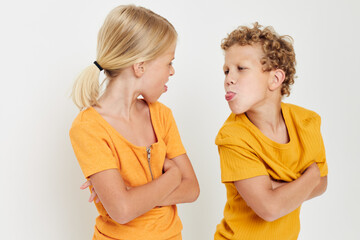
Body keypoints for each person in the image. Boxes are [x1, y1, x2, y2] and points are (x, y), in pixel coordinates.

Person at [69, 5, 199, 240]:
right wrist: (172, 176)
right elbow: (122, 211)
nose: (172, 71)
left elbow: (192, 189)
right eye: (169, 62)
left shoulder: (162, 115)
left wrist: (132, 196)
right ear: (140, 66)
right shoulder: (87, 127)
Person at [214, 23, 328, 240]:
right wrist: (308, 176)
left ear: (275, 79)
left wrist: (272, 188)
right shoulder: (232, 137)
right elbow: (269, 209)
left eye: (241, 68)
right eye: (227, 70)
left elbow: (322, 184)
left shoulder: (307, 121)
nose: (229, 78)